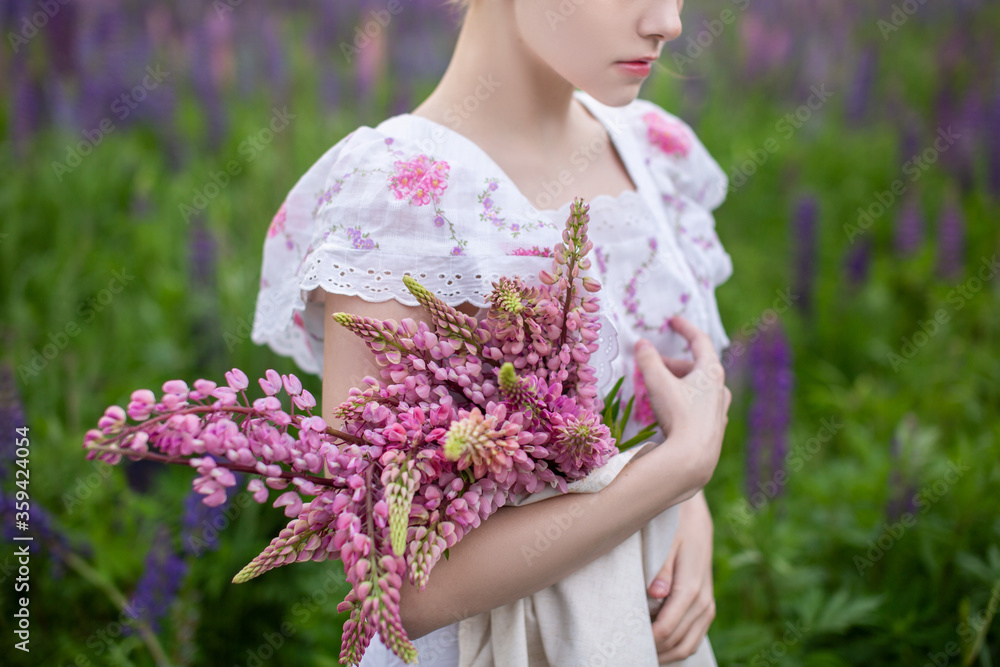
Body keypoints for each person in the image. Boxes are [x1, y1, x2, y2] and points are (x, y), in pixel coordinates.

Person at [250, 0, 733, 664]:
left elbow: (663, 414)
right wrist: (677, 473)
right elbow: (401, 588)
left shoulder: (645, 147)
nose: (667, 22)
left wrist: (690, 506)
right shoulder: (400, 194)